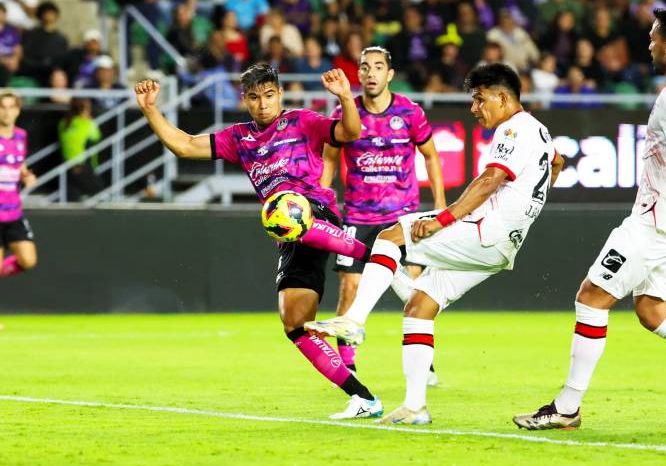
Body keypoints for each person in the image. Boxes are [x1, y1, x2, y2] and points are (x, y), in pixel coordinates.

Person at [513, 8, 666, 431]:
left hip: (656, 222)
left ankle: (567, 407)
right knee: (652, 310)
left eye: (651, 37)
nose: (647, 44)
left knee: (591, 297)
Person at [305, 63, 564, 424]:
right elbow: (557, 162)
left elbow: (490, 180)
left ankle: (354, 319)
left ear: (503, 98)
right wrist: (530, 205)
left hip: (483, 231)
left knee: (389, 237)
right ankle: (415, 406)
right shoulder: (539, 129)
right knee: (419, 305)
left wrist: (443, 218)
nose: (474, 108)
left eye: (479, 99)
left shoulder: (512, 129)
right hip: (504, 246)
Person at [134, 64, 383, 420]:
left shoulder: (302, 121)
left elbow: (349, 133)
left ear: (279, 95)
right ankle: (364, 398)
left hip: (314, 210)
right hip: (288, 232)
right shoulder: (239, 137)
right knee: (295, 324)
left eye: (269, 96)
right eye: (255, 97)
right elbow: (186, 146)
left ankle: (371, 255)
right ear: (245, 100)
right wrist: (150, 110)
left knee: (280, 211)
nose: (263, 104)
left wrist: (345, 96)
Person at [320, 46, 446, 380]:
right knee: (350, 288)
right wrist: (322, 199)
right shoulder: (345, 112)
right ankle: (347, 367)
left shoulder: (410, 112)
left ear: (390, 74)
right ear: (358, 75)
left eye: (378, 67)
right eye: (364, 68)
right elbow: (330, 157)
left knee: (417, 293)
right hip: (358, 217)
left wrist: (440, 207)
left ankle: (425, 362)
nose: (371, 73)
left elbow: (431, 156)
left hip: (403, 217)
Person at [0, 91, 37, 278]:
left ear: (18, 111)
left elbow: (20, 163)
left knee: (28, 260)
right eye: (2, 107)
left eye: (11, 107)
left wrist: (26, 175)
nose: (6, 112)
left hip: (13, 210)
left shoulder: (21, 136)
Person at [58, 98, 104, 200]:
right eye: (89, 108)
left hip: (67, 163)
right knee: (99, 190)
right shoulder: (87, 124)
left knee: (72, 196)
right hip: (83, 164)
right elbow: (97, 136)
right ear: (84, 110)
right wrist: (90, 121)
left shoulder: (63, 123)